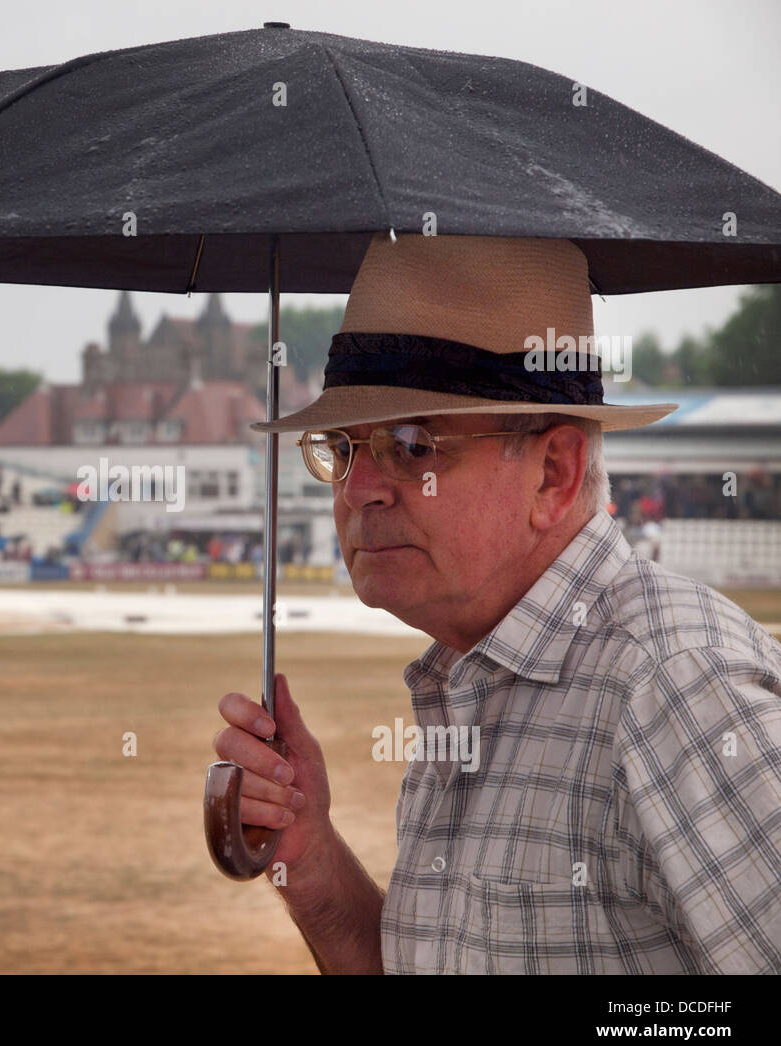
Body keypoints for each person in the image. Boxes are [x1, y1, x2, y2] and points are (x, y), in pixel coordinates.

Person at [212, 233, 781, 974]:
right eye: (343, 447)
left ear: (554, 471)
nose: (356, 490)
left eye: (412, 445)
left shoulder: (675, 685)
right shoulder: (469, 674)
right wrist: (311, 858)